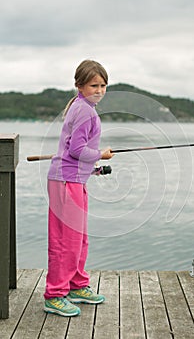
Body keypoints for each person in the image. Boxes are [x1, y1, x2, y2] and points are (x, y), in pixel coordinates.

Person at [43, 59, 114, 317]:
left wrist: (92, 167)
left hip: (75, 180)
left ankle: (77, 285)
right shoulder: (84, 110)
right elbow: (76, 150)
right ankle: (54, 294)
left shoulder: (82, 107)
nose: (99, 90)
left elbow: (73, 152)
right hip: (66, 182)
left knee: (80, 240)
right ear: (80, 85)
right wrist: (100, 155)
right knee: (66, 241)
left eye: (103, 85)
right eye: (94, 85)